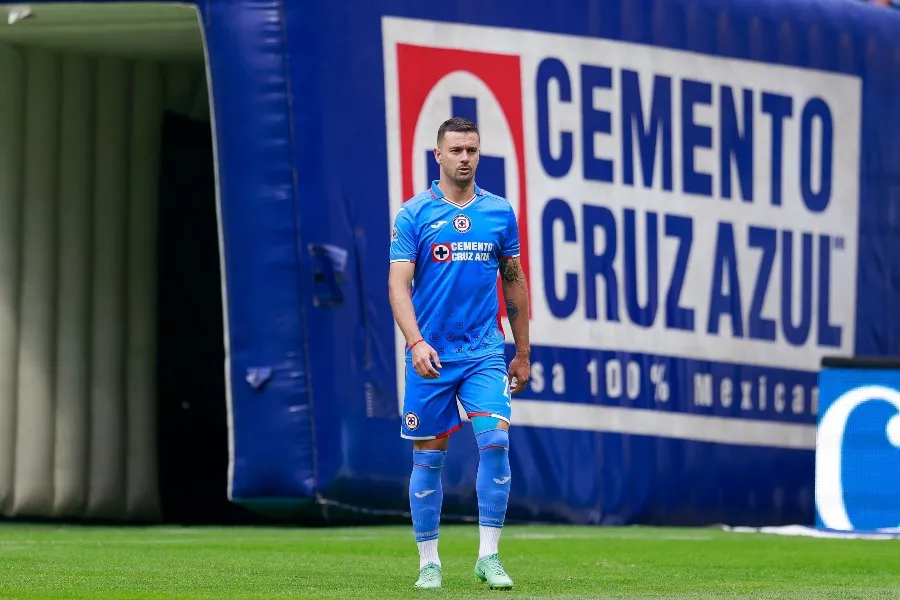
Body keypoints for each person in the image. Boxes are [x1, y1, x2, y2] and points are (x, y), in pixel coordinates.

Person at [388, 117, 531, 590]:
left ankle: (488, 557)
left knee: (495, 441)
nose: (465, 158)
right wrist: (415, 342)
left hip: (484, 352)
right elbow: (397, 285)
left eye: (472, 149)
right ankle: (429, 561)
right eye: (456, 150)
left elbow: (513, 281)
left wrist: (522, 350)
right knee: (429, 457)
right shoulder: (414, 214)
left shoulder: (499, 212)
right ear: (439, 155)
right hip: (432, 354)